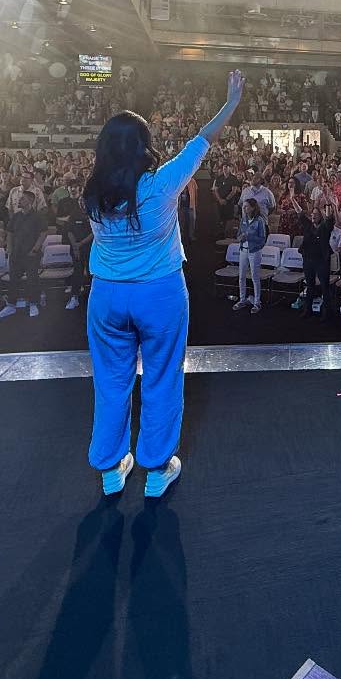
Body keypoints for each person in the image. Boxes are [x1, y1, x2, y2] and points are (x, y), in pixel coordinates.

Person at [83, 69, 243, 499]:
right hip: (159, 293)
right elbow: (201, 141)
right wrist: (229, 103)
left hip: (107, 296)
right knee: (162, 377)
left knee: (111, 381)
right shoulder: (163, 184)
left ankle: (111, 468)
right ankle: (156, 469)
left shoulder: (91, 192)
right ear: (143, 147)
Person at [0, 192, 46, 320]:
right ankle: (11, 305)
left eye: (22, 198)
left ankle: (33, 303)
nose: (19, 200)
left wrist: (35, 249)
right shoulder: (16, 216)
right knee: (13, 280)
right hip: (16, 253)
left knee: (32, 279)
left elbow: (43, 233)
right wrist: (9, 249)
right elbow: (10, 232)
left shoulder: (38, 216)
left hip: (31, 253)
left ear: (30, 201)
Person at [57, 195, 94, 311]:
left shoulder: (93, 214)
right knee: (77, 273)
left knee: (91, 274)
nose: (82, 204)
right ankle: (74, 298)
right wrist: (76, 246)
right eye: (80, 201)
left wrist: (81, 243)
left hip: (91, 249)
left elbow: (95, 232)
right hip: (76, 250)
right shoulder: (74, 215)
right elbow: (69, 231)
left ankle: (93, 299)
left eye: (84, 201)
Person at [231, 198, 267, 314]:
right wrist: (240, 238)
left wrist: (249, 237)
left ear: (252, 207)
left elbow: (262, 239)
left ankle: (257, 302)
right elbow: (239, 234)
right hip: (243, 250)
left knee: (254, 277)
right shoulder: (243, 219)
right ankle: (242, 299)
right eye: (243, 206)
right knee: (241, 276)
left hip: (254, 251)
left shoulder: (259, 221)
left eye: (246, 206)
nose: (244, 208)